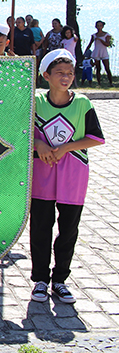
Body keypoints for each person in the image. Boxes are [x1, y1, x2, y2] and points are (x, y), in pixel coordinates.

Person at [30, 49, 104, 304]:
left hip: (73, 174)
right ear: (46, 75)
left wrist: (65, 147)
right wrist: (38, 145)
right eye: (59, 72)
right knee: (41, 227)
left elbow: (95, 137)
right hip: (42, 174)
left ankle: (60, 280)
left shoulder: (82, 103)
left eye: (70, 73)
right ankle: (40, 279)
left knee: (68, 229)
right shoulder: (35, 102)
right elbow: (19, 133)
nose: (65, 77)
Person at [84, 21, 112, 86]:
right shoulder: (94, 35)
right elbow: (90, 44)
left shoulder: (106, 34)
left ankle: (110, 82)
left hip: (104, 52)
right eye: (98, 25)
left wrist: (100, 40)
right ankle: (99, 83)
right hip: (97, 52)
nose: (99, 27)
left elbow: (107, 44)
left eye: (100, 25)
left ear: (102, 26)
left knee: (107, 68)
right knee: (98, 68)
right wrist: (85, 51)